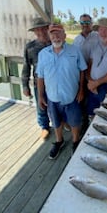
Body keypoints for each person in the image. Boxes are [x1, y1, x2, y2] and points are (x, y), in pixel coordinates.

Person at [36, 24, 87, 159]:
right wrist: (40, 96)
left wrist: (81, 89)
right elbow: (40, 76)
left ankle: (75, 141)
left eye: (59, 33)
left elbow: (83, 70)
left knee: (75, 121)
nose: (56, 36)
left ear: (64, 36)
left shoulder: (75, 51)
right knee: (56, 121)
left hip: (72, 95)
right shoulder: (43, 54)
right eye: (53, 34)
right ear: (49, 36)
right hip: (52, 96)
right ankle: (59, 141)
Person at [21, 17, 51, 139]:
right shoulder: (30, 47)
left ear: (47, 29)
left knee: (59, 105)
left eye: (43, 29)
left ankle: (62, 122)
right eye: (37, 30)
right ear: (34, 32)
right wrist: (24, 85)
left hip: (55, 82)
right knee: (41, 106)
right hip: (38, 83)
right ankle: (44, 126)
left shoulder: (55, 43)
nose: (41, 32)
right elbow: (26, 66)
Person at [73, 14, 99, 134]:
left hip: (94, 75)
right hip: (80, 75)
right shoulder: (76, 40)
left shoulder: (98, 36)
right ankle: (83, 123)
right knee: (81, 100)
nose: (85, 25)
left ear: (91, 23)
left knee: (93, 100)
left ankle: (94, 125)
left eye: (87, 22)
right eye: (82, 23)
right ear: (80, 24)